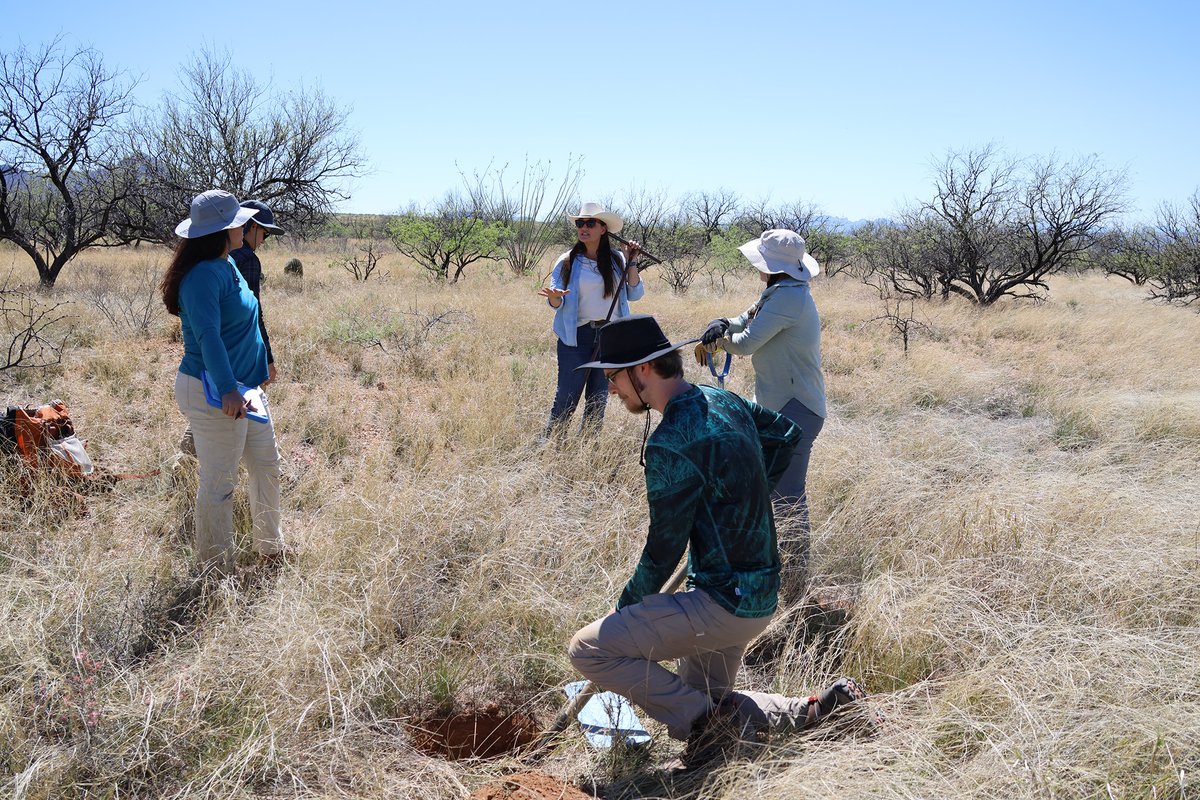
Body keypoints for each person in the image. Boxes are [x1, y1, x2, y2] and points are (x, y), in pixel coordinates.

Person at [566, 315, 867, 768]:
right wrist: (745, 493)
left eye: (613, 376)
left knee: (588, 649)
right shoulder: (723, 399)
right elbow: (786, 435)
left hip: (721, 603)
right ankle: (812, 710)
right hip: (761, 595)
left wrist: (626, 605)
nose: (611, 389)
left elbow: (662, 549)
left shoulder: (670, 442)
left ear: (643, 369)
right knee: (702, 695)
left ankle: (711, 730)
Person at [161, 189, 286, 575]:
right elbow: (208, 338)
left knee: (267, 465)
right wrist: (229, 389)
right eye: (237, 221)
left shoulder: (227, 263)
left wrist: (259, 362)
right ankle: (215, 570)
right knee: (219, 483)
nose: (244, 225)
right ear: (224, 229)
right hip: (214, 390)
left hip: (243, 388)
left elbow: (248, 318)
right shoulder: (201, 277)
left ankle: (270, 548)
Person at [699, 229, 827, 593]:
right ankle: (782, 574)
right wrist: (724, 322)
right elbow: (747, 317)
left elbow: (746, 345)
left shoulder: (789, 299)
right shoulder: (781, 291)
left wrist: (721, 339)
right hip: (786, 405)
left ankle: (795, 584)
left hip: (795, 408)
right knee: (778, 494)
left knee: (787, 497)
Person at [180, 199, 285, 455]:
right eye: (265, 233)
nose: (264, 239)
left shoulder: (228, 262)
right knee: (220, 471)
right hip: (230, 381)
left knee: (259, 459)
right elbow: (225, 329)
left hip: (232, 378)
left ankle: (188, 453)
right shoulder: (235, 263)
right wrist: (264, 360)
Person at [537, 202, 644, 436]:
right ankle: (551, 446)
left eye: (589, 223)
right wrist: (555, 299)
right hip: (577, 337)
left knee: (597, 399)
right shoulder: (567, 260)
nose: (583, 228)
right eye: (579, 223)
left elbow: (635, 293)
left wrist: (632, 260)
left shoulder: (617, 259)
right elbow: (556, 300)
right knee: (567, 396)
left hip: (610, 338)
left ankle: (588, 450)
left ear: (603, 228)